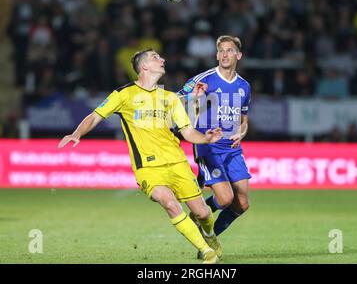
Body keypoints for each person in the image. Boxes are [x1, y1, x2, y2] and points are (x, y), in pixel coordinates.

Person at [58, 48, 223, 264]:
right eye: (156, 57)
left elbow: (188, 132)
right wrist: (77, 133)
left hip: (177, 162)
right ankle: (206, 251)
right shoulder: (123, 94)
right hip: (148, 167)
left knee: (203, 214)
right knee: (170, 203)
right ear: (144, 66)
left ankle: (209, 235)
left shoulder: (170, 98)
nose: (162, 59)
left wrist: (206, 138)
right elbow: (96, 115)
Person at [178, 35, 251, 259]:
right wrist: (194, 97)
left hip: (232, 149)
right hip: (209, 147)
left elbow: (243, 120)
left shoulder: (243, 87)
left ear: (238, 55)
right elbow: (176, 101)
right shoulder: (205, 79)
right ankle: (204, 233)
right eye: (220, 51)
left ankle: (205, 231)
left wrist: (241, 132)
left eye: (229, 50)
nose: (224, 54)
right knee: (226, 199)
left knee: (242, 204)